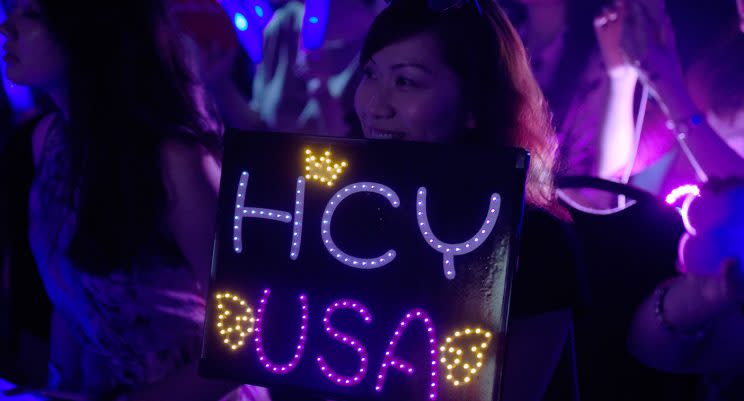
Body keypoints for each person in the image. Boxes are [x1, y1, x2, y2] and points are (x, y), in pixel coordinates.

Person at [0, 0, 269, 400]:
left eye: (33, 14)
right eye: (11, 10)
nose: (7, 28)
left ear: (91, 31)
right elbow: (74, 296)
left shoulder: (174, 159)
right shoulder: (50, 143)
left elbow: (253, 330)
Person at [353, 1, 585, 400]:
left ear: (474, 105)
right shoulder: (346, 218)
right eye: (370, 74)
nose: (376, 105)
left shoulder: (533, 242)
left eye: (406, 81)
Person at [251, 0, 384, 137]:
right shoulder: (283, 24)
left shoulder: (378, 43)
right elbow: (256, 122)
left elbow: (350, 144)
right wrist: (226, 80)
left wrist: (321, 88)